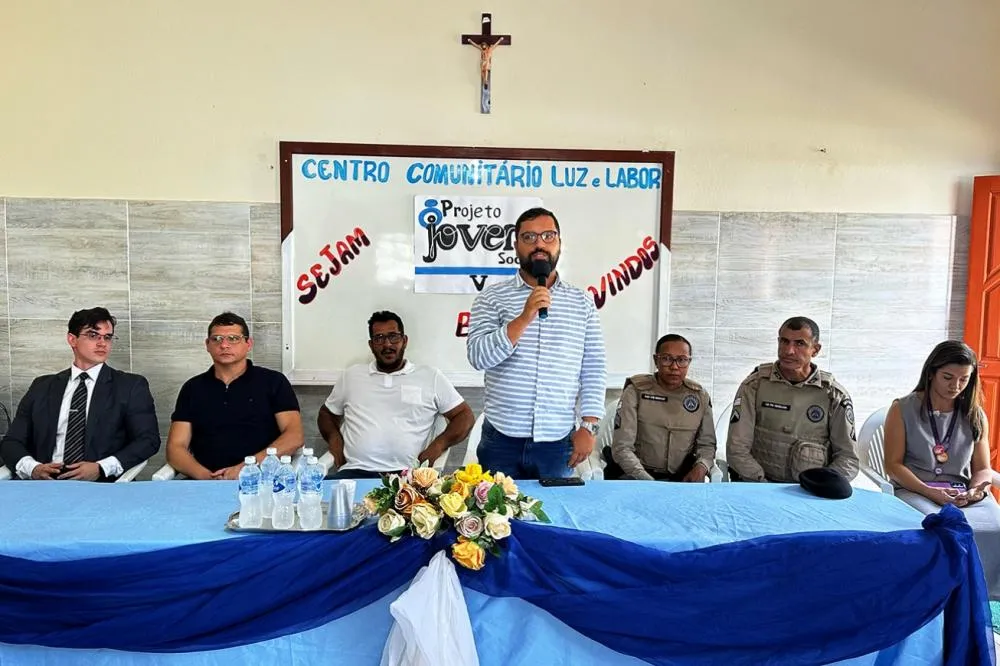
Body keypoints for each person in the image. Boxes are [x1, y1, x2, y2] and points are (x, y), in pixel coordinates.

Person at [466, 207, 607, 479]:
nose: (539, 244)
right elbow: (477, 357)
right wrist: (524, 317)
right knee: (497, 518)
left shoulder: (582, 302)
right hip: (500, 439)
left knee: (550, 516)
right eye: (529, 237)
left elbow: (593, 367)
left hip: (557, 441)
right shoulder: (491, 298)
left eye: (548, 236)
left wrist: (588, 427)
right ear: (515, 245)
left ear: (559, 243)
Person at [883, 340, 1000, 599]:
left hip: (964, 494)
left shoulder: (975, 414)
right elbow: (893, 465)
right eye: (948, 377)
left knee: (996, 527)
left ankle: (981, 596)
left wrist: (975, 492)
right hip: (916, 489)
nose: (955, 386)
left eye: (963, 380)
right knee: (940, 530)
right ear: (932, 372)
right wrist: (929, 492)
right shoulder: (901, 408)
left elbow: (982, 469)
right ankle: (935, 595)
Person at [0, 307, 160, 481]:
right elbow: (11, 442)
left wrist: (101, 467)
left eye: (107, 337)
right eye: (93, 335)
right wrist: (33, 468)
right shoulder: (42, 386)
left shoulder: (130, 386)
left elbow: (148, 440)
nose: (102, 343)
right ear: (72, 339)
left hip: (103, 484)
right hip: (45, 484)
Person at [317, 311, 475, 479]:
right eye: (379, 338)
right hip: (355, 473)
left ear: (404, 341)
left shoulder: (430, 377)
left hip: (408, 478)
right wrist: (334, 439)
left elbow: (464, 416)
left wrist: (439, 445)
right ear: (371, 345)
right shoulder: (352, 376)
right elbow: (326, 413)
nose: (387, 345)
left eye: (393, 337)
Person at [165, 312, 303, 480]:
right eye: (217, 339)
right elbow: (176, 447)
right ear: (207, 345)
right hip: (206, 481)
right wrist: (207, 477)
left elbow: (294, 436)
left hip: (262, 478)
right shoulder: (193, 388)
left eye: (233, 338)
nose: (224, 345)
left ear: (248, 343)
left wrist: (247, 468)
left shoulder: (273, 382)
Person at [726, 316, 858, 483]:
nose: (789, 350)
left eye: (800, 344)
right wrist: (762, 485)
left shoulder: (833, 395)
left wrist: (820, 486)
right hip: (757, 485)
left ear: (815, 350)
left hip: (810, 491)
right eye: (784, 341)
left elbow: (847, 459)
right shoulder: (754, 386)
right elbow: (737, 449)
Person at [611, 334, 715, 481]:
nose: (674, 366)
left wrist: (701, 467)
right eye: (666, 358)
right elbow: (622, 448)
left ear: (689, 362)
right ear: (656, 360)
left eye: (682, 360)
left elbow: (707, 445)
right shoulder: (635, 391)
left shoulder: (700, 396)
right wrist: (646, 481)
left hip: (682, 478)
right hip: (636, 476)